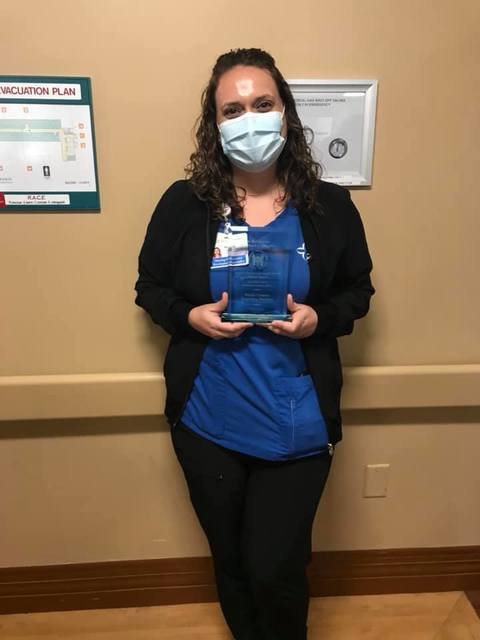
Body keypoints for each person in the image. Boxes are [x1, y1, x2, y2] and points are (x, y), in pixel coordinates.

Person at [134, 47, 375, 640]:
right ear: (214, 125)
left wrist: (319, 319)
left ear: (285, 112)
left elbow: (358, 291)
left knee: (276, 569)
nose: (250, 120)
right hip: (208, 423)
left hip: (297, 427)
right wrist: (190, 316)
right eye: (232, 110)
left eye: (262, 104)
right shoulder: (185, 205)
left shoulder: (330, 207)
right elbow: (150, 287)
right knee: (235, 566)